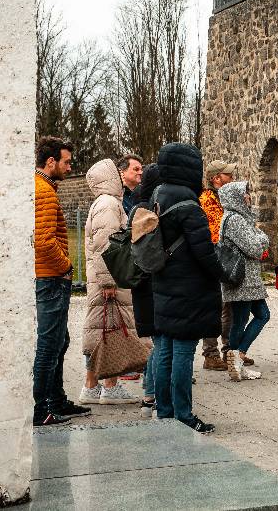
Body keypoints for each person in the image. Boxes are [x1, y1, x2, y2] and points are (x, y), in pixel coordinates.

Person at [152, 142, 225, 433]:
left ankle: (164, 410)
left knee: (165, 351)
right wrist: (224, 274)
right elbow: (203, 251)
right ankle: (182, 414)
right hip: (188, 286)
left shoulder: (159, 193)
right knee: (182, 352)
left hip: (163, 281)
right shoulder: (188, 203)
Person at [33, 136, 89, 425]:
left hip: (52, 276)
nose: (69, 167)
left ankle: (56, 400)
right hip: (51, 277)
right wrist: (66, 266)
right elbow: (43, 241)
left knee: (60, 340)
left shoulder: (45, 187)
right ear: (51, 161)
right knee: (49, 343)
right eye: (66, 162)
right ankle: (41, 409)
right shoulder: (43, 191)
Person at [78, 159, 142, 406]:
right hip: (110, 280)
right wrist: (108, 282)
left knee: (101, 332)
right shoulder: (108, 204)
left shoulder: (104, 202)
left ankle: (92, 386)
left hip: (105, 279)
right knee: (110, 331)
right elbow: (107, 244)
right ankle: (109, 387)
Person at [218, 181, 270, 382]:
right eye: (245, 193)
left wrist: (259, 236)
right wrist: (262, 236)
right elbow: (256, 248)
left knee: (259, 315)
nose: (249, 196)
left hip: (248, 279)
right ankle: (236, 355)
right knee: (244, 318)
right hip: (243, 279)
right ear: (235, 197)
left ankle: (237, 356)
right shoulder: (236, 220)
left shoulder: (238, 218)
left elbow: (257, 241)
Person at [130, 162, 162, 417]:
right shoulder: (147, 212)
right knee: (161, 343)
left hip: (143, 287)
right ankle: (152, 396)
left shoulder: (138, 209)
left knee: (157, 343)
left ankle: (149, 395)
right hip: (151, 286)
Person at [200, 159, 236, 372]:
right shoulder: (207, 200)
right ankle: (211, 353)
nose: (232, 178)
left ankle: (228, 350)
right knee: (216, 306)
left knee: (227, 306)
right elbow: (217, 230)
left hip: (225, 256)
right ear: (216, 179)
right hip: (215, 256)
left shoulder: (223, 198)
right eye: (227, 175)